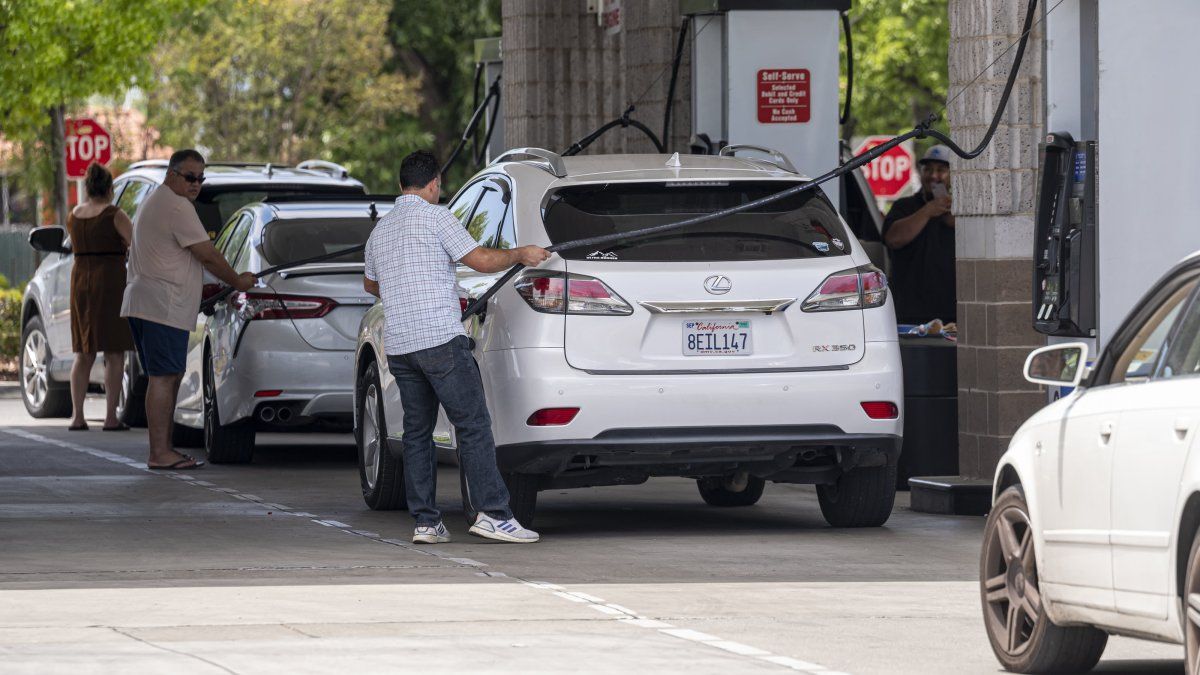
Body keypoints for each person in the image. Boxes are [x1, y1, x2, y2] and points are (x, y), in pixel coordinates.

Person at [364, 150, 550, 544]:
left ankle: (426, 523)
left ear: (401, 186)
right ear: (434, 184)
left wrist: (404, 286)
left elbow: (371, 285)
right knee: (473, 425)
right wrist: (522, 253)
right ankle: (493, 513)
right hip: (439, 341)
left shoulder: (381, 230)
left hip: (400, 345)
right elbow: (480, 260)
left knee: (417, 433)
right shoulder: (437, 218)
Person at [120, 149, 255, 470]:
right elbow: (207, 255)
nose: (196, 184)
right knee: (164, 377)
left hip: (150, 302)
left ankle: (163, 449)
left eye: (200, 178)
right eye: (190, 177)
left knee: (167, 375)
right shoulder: (177, 206)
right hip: (161, 305)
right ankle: (160, 452)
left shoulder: (158, 200)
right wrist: (237, 280)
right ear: (172, 174)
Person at [66, 163, 135, 432]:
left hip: (81, 280)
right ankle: (110, 417)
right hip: (109, 282)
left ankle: (77, 416)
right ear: (109, 188)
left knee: (83, 352)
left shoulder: (75, 214)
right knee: (114, 351)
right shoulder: (113, 214)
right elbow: (135, 243)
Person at [882, 144, 957, 324]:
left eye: (941, 170)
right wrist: (927, 211)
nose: (933, 176)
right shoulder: (904, 206)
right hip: (909, 312)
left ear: (952, 175)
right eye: (928, 169)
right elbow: (893, 239)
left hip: (953, 313)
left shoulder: (960, 210)